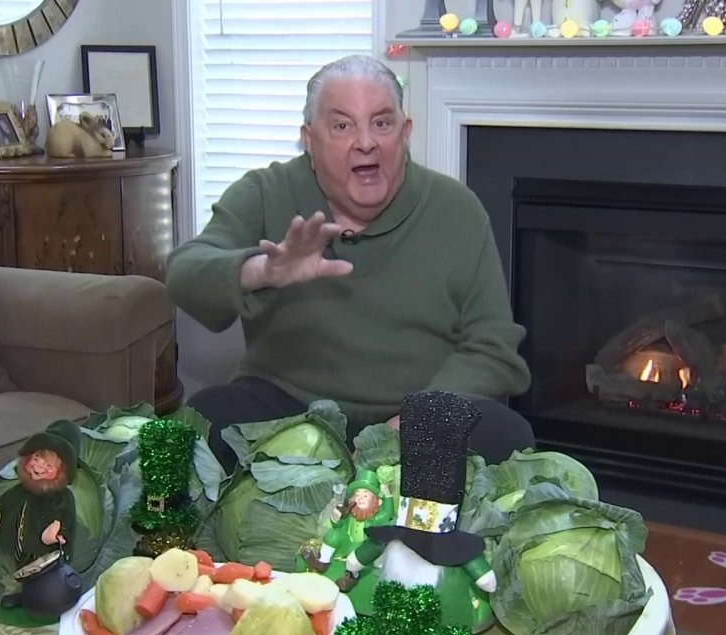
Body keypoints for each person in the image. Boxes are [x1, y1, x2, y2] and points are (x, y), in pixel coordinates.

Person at [165, 55, 534, 471]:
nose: (365, 142)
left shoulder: (457, 210)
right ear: (309, 138)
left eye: (381, 123)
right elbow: (183, 273)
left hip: (415, 412)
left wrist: (415, 421)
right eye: (342, 126)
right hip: (288, 409)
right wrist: (263, 271)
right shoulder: (266, 192)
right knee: (205, 419)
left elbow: (494, 345)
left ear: (405, 132)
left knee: (507, 437)